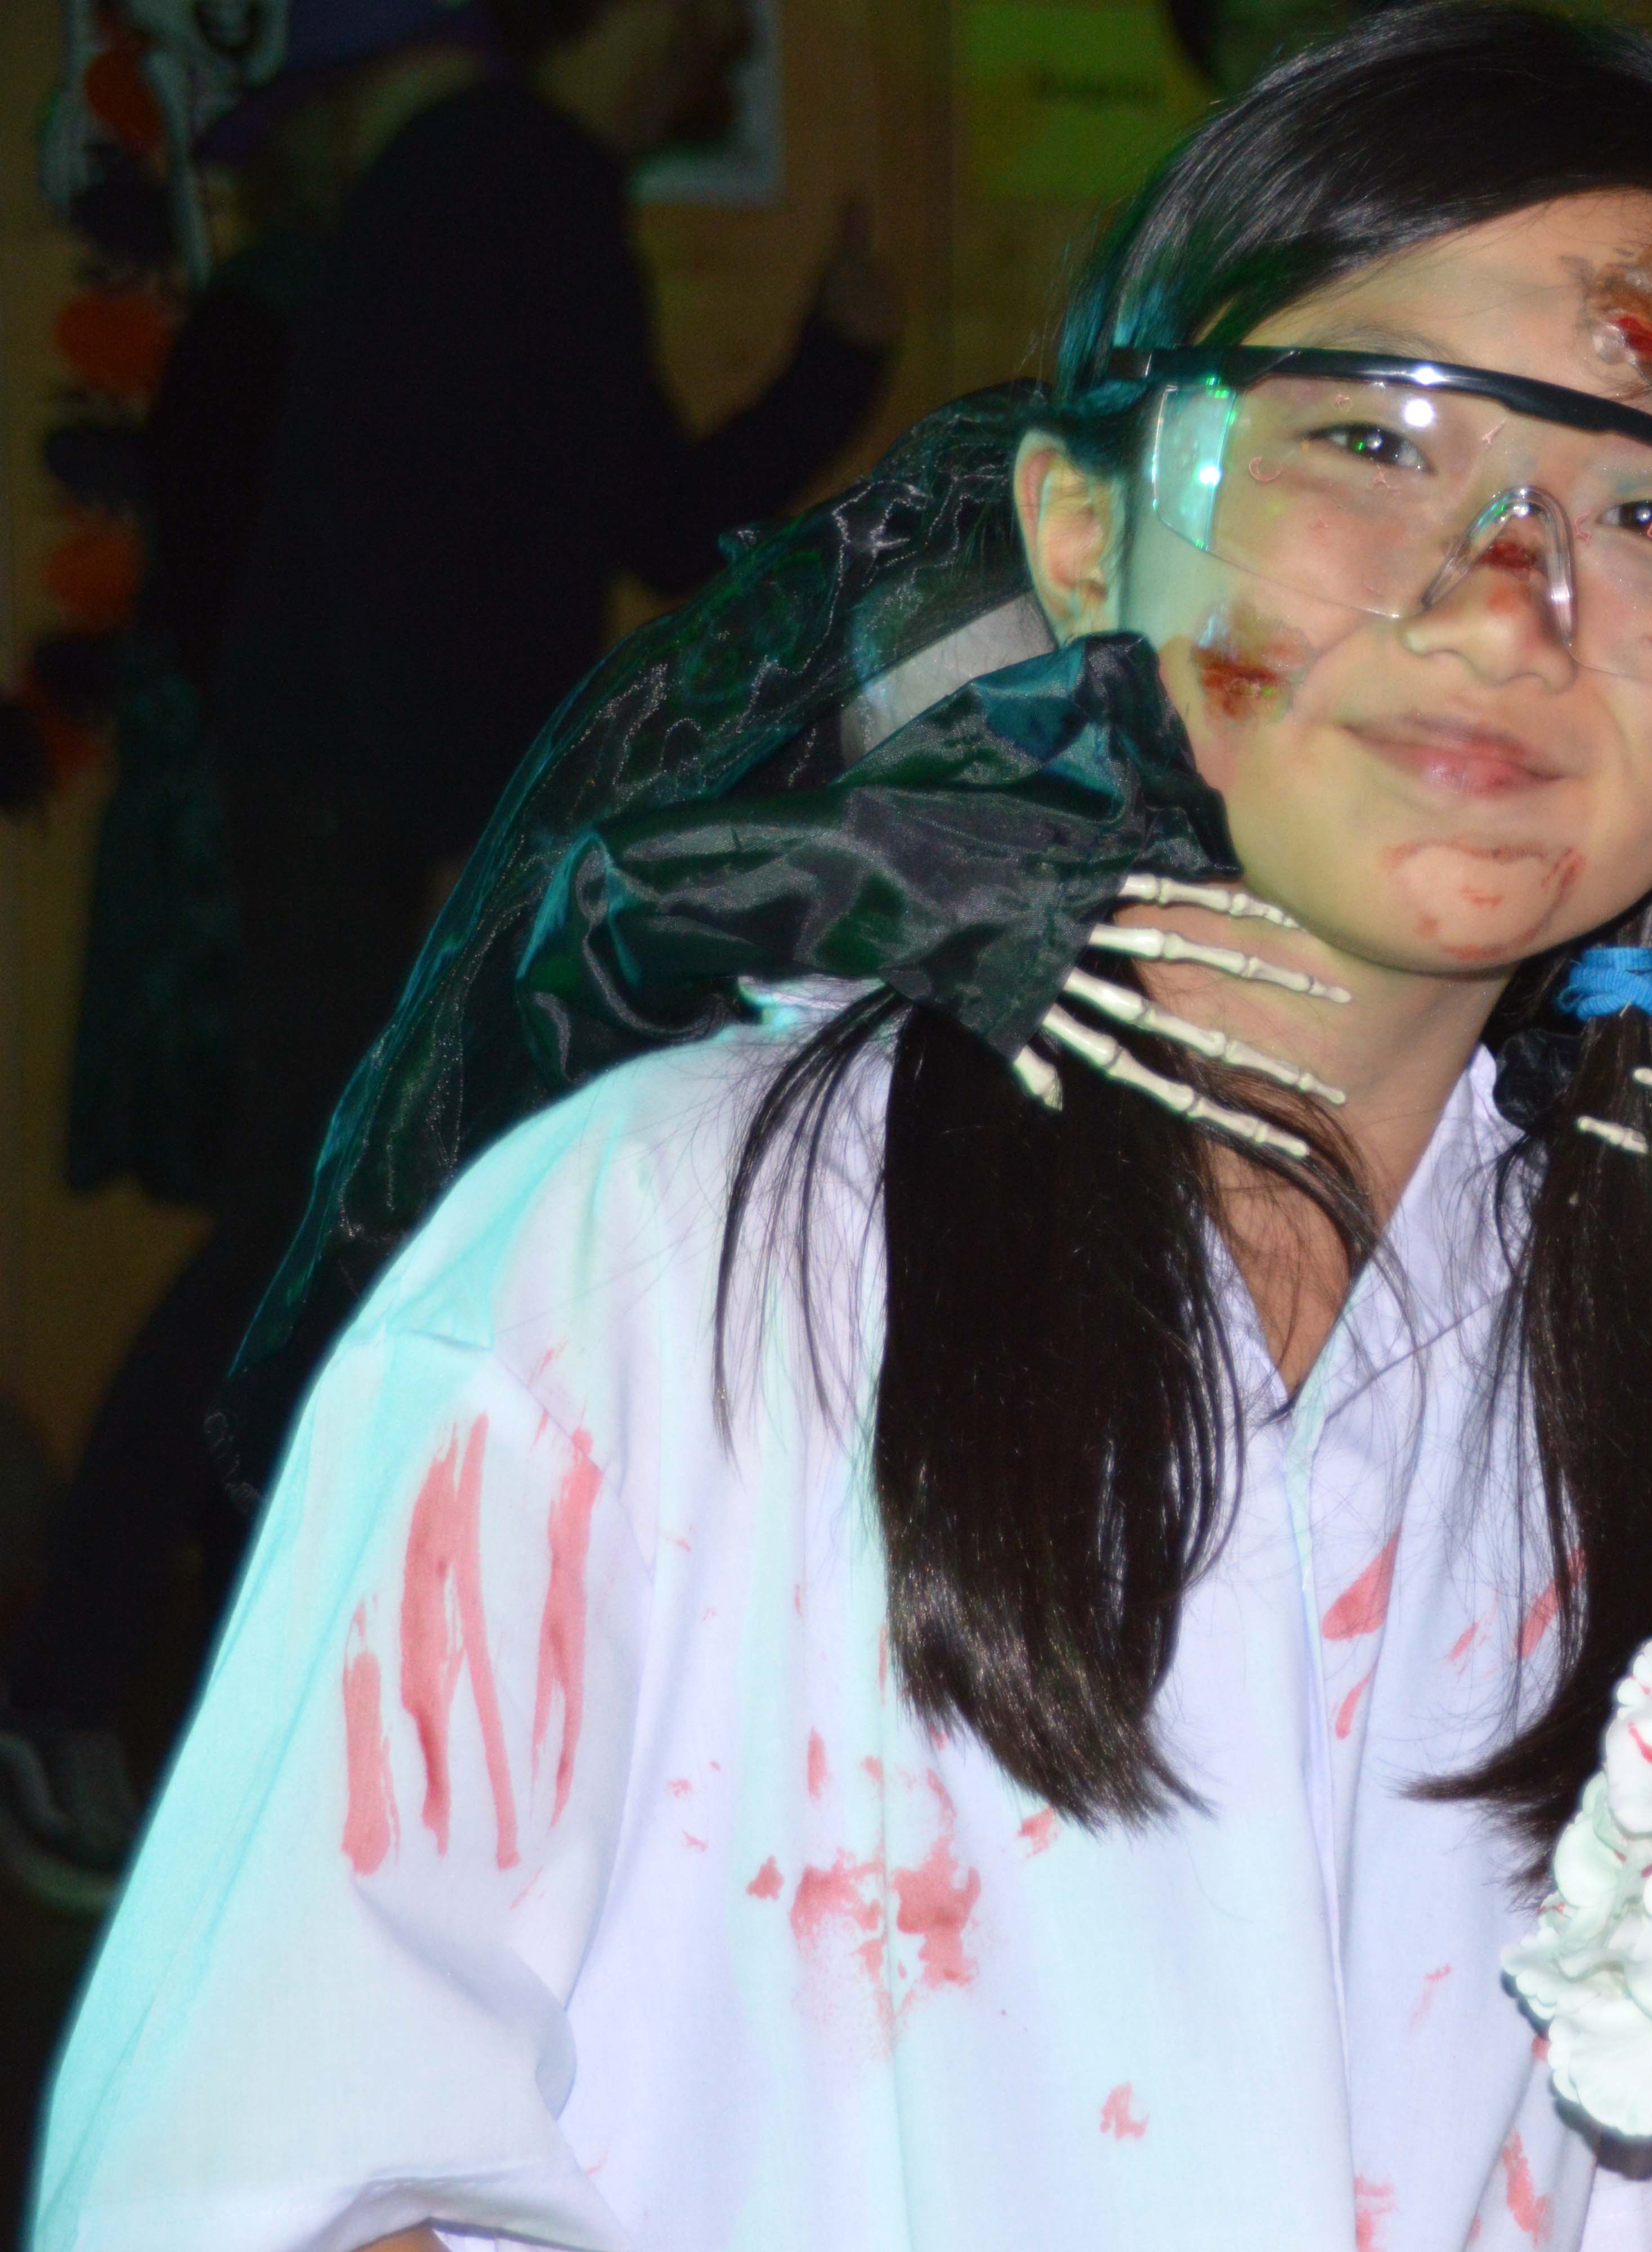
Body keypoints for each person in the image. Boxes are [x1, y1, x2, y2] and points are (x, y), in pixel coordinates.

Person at [37, 9, 1652, 2248]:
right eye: (1372, 439)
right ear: (1085, 533)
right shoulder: (659, 1265)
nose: (1506, 604)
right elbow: (267, 2173)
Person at [0, 0, 899, 1912]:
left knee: (328, 1239)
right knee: (302, 1239)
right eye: (710, 22)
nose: (725, 52)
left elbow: (647, 519)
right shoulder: (500, 177)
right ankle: (77, 1696)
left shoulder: (514, 180)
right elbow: (395, 537)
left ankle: (173, 1706)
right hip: (372, 817)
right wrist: (452, 861)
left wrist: (838, 363)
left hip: (373, 808)